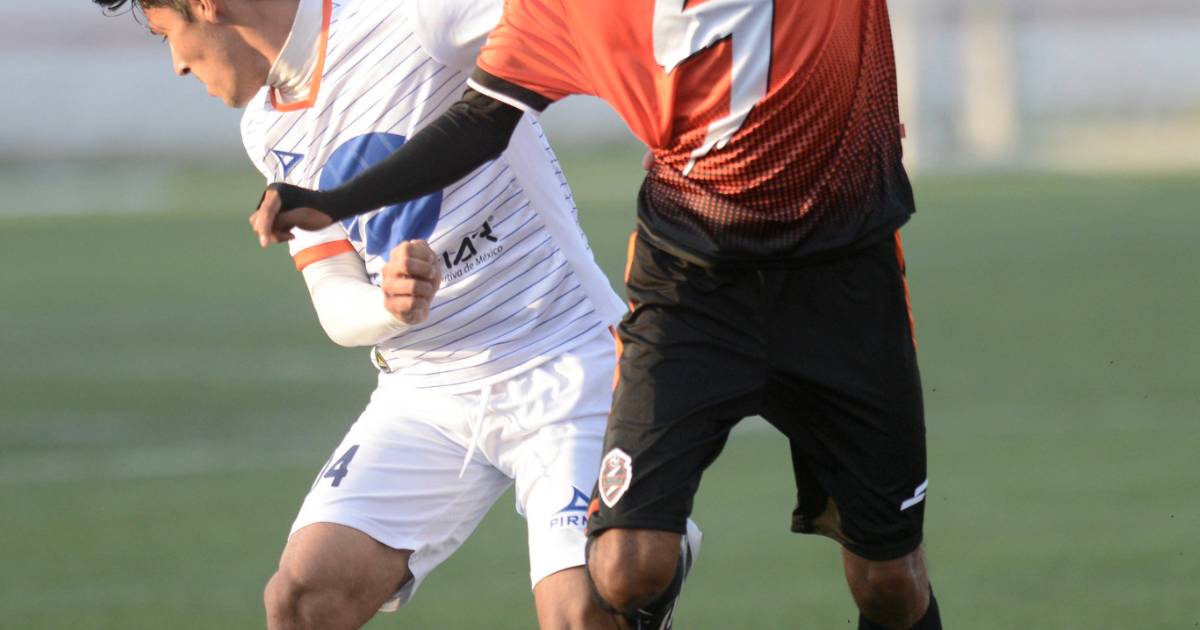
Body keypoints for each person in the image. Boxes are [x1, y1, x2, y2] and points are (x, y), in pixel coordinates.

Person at [250, 0, 942, 628]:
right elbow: (481, 122)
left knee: (890, 586)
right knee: (623, 568)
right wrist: (335, 204)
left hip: (844, 284)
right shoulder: (565, 7)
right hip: (691, 284)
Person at [93, 0, 705, 628]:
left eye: (167, 34)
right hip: (426, 393)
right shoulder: (266, 129)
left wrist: (678, 111)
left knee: (582, 613)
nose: (177, 64)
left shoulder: (412, 16)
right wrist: (387, 307)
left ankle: (649, 561)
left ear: (206, 4)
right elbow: (334, 294)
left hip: (566, 360)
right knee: (301, 599)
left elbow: (575, 16)